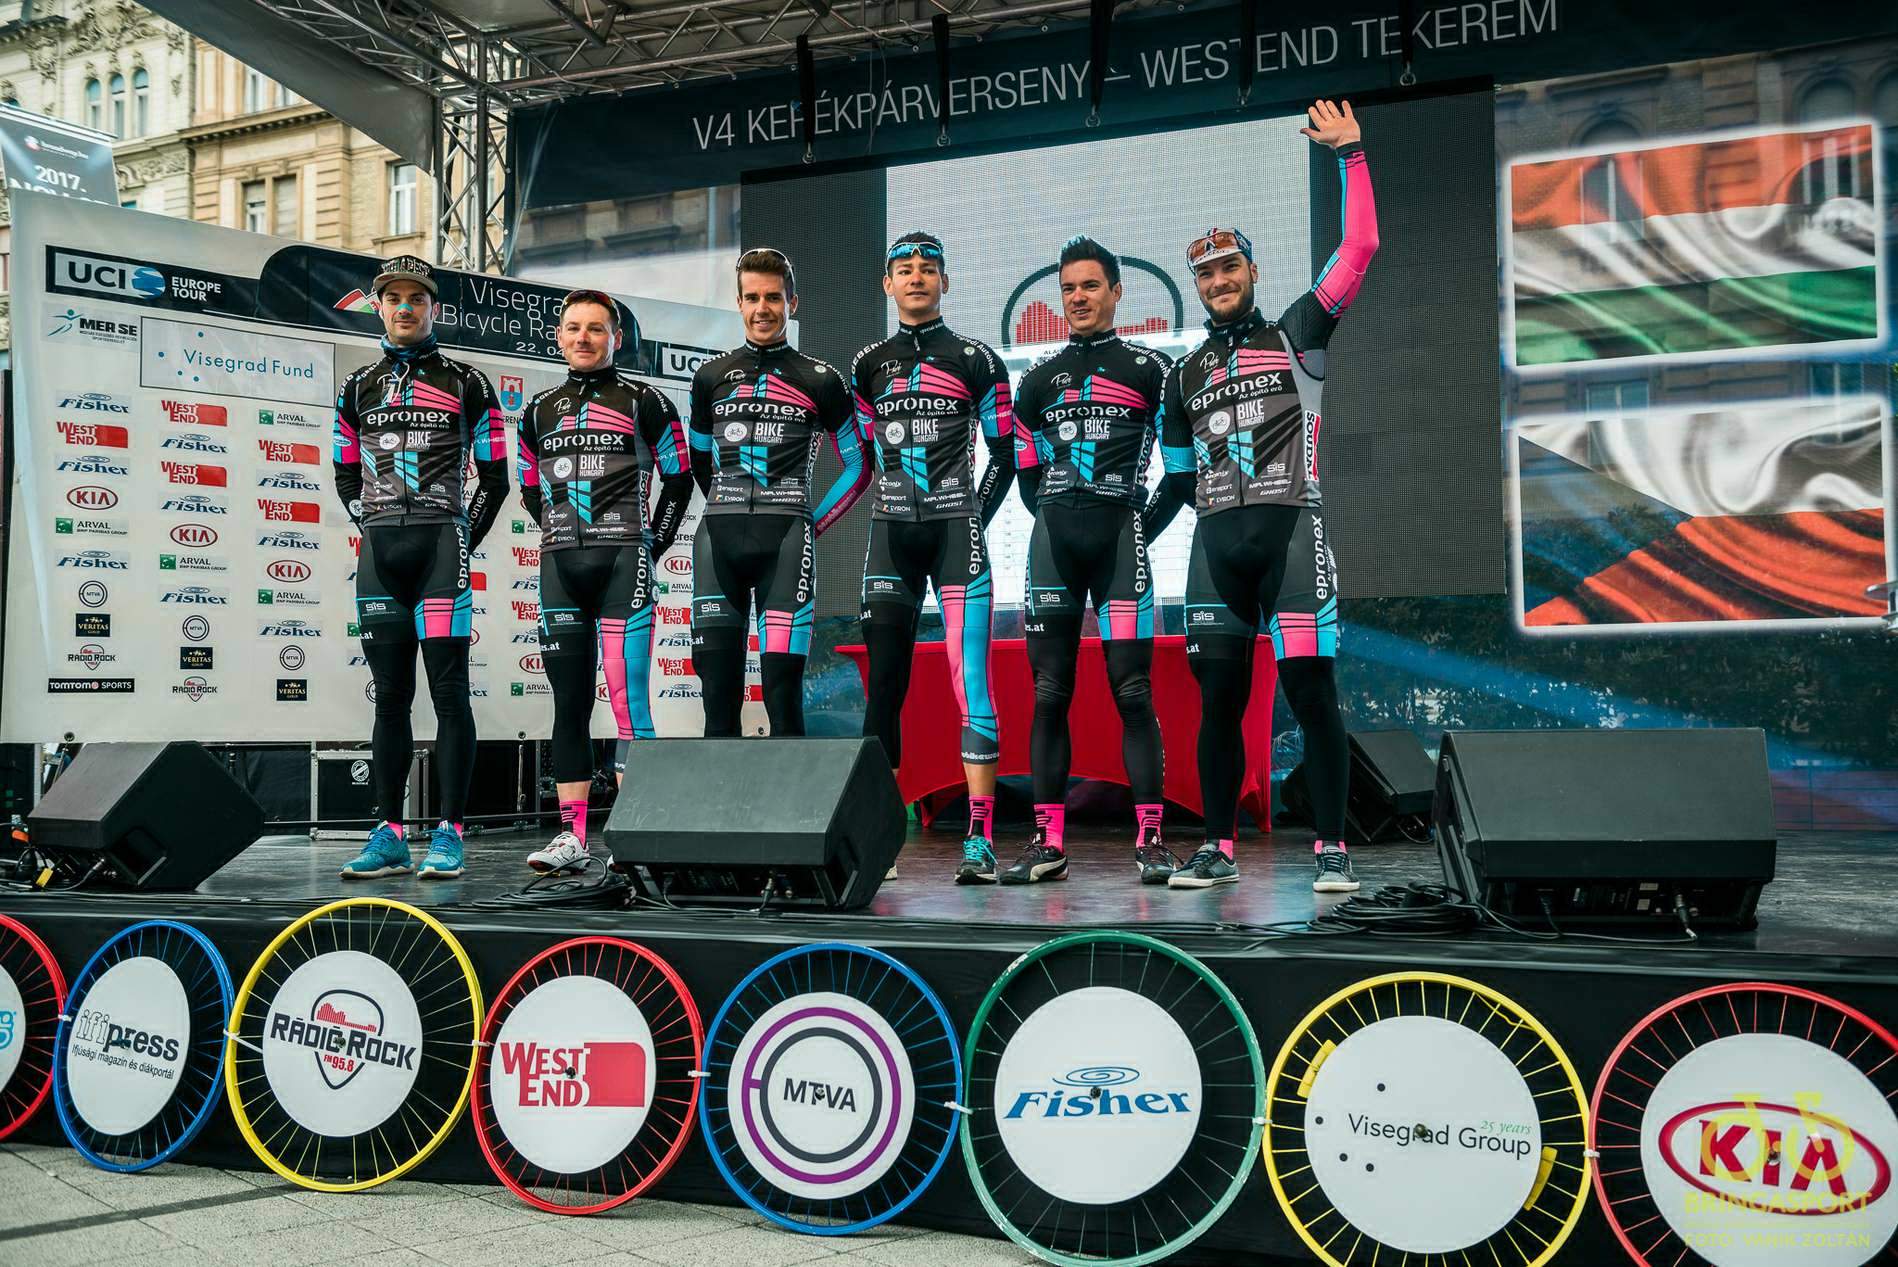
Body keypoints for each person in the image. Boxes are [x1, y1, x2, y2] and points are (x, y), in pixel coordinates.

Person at [1151, 99, 1379, 892]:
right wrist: (1135, 536)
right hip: (1215, 553)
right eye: (1206, 274)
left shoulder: (1297, 332)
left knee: (1312, 695)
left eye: (1230, 268)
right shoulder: (1182, 375)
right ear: (1197, 285)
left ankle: (1331, 849)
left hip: (1293, 542)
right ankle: (1217, 848)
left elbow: (1360, 246)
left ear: (1252, 273)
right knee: (1218, 705)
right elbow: (1178, 478)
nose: (1219, 281)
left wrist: (1350, 154)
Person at [333, 256, 508, 880]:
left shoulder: (468, 382)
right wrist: (372, 525)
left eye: (417, 298)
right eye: (393, 298)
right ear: (379, 307)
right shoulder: (357, 387)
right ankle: (388, 833)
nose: (404, 307)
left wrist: (461, 537)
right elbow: (344, 473)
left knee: (449, 693)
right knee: (389, 698)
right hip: (380, 553)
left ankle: (450, 832)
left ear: (434, 307)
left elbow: (496, 477)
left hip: (441, 548)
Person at [1006, 236, 1174, 885]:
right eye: (1069, 288)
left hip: (1120, 543)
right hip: (1053, 545)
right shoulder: (1036, 380)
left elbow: (1181, 475)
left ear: (1116, 291)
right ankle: (1047, 843)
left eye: (1091, 286)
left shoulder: (1151, 369)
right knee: (1049, 694)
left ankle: (1151, 841)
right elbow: (1027, 481)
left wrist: (1135, 528)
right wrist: (1059, 516)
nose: (1078, 297)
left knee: (1133, 692)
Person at [850, 232, 1017, 884]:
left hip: (955, 535)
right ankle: (876, 837)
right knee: (884, 686)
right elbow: (862, 459)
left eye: (928, 269)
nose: (916, 277)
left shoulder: (978, 359)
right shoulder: (867, 364)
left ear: (945, 282)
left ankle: (979, 838)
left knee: (969, 680)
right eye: (905, 269)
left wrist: (971, 517)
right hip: (890, 535)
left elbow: (1005, 455)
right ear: (886, 284)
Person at [515, 289, 693, 872]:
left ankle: (637, 834)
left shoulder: (646, 400)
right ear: (559, 337)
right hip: (560, 566)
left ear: (615, 337)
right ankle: (572, 838)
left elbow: (679, 479)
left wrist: (651, 544)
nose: (583, 338)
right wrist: (559, 531)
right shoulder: (538, 409)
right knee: (568, 703)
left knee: (627, 701)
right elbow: (529, 487)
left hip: (624, 565)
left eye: (596, 329)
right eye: (573, 328)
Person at [688, 248, 863, 737]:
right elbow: (699, 460)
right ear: (739, 303)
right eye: (752, 298)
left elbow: (859, 465)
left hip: (787, 541)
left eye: (773, 297)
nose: (762, 308)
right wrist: (724, 504)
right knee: (717, 694)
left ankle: (790, 793)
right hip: (717, 542)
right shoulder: (709, 377)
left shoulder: (820, 379)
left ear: (792, 302)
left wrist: (812, 522)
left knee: (782, 694)